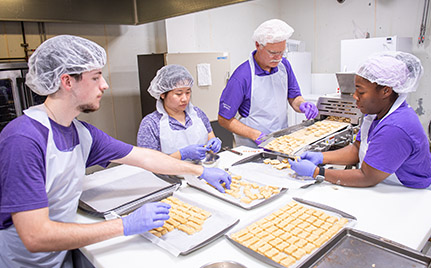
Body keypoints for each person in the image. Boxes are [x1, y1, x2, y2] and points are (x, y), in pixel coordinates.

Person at [0, 35, 231, 268]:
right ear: (67, 81)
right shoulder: (24, 140)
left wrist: (199, 170)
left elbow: (144, 156)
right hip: (24, 262)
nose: (105, 85)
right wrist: (124, 225)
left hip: (62, 254)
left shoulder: (81, 132)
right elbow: (35, 236)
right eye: (96, 77)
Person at [289, 51, 431, 230]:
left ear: (386, 91)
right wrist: (321, 157)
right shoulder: (376, 114)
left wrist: (318, 172)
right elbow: (357, 149)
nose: (355, 96)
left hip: (414, 199)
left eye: (361, 91)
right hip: (389, 189)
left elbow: (367, 176)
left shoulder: (395, 127)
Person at [218, 19, 318, 148]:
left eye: (281, 52)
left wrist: (302, 105)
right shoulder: (242, 76)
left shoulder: (284, 66)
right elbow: (224, 119)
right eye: (273, 53)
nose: (278, 58)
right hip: (252, 145)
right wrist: (255, 135)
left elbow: (294, 97)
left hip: (281, 140)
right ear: (258, 45)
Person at [137, 64, 221, 161]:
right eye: (179, 93)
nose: (185, 99)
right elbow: (148, 162)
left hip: (202, 172)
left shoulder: (198, 114)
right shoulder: (150, 124)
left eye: (188, 92)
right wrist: (182, 154)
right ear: (162, 94)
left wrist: (214, 146)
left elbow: (210, 140)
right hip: (170, 175)